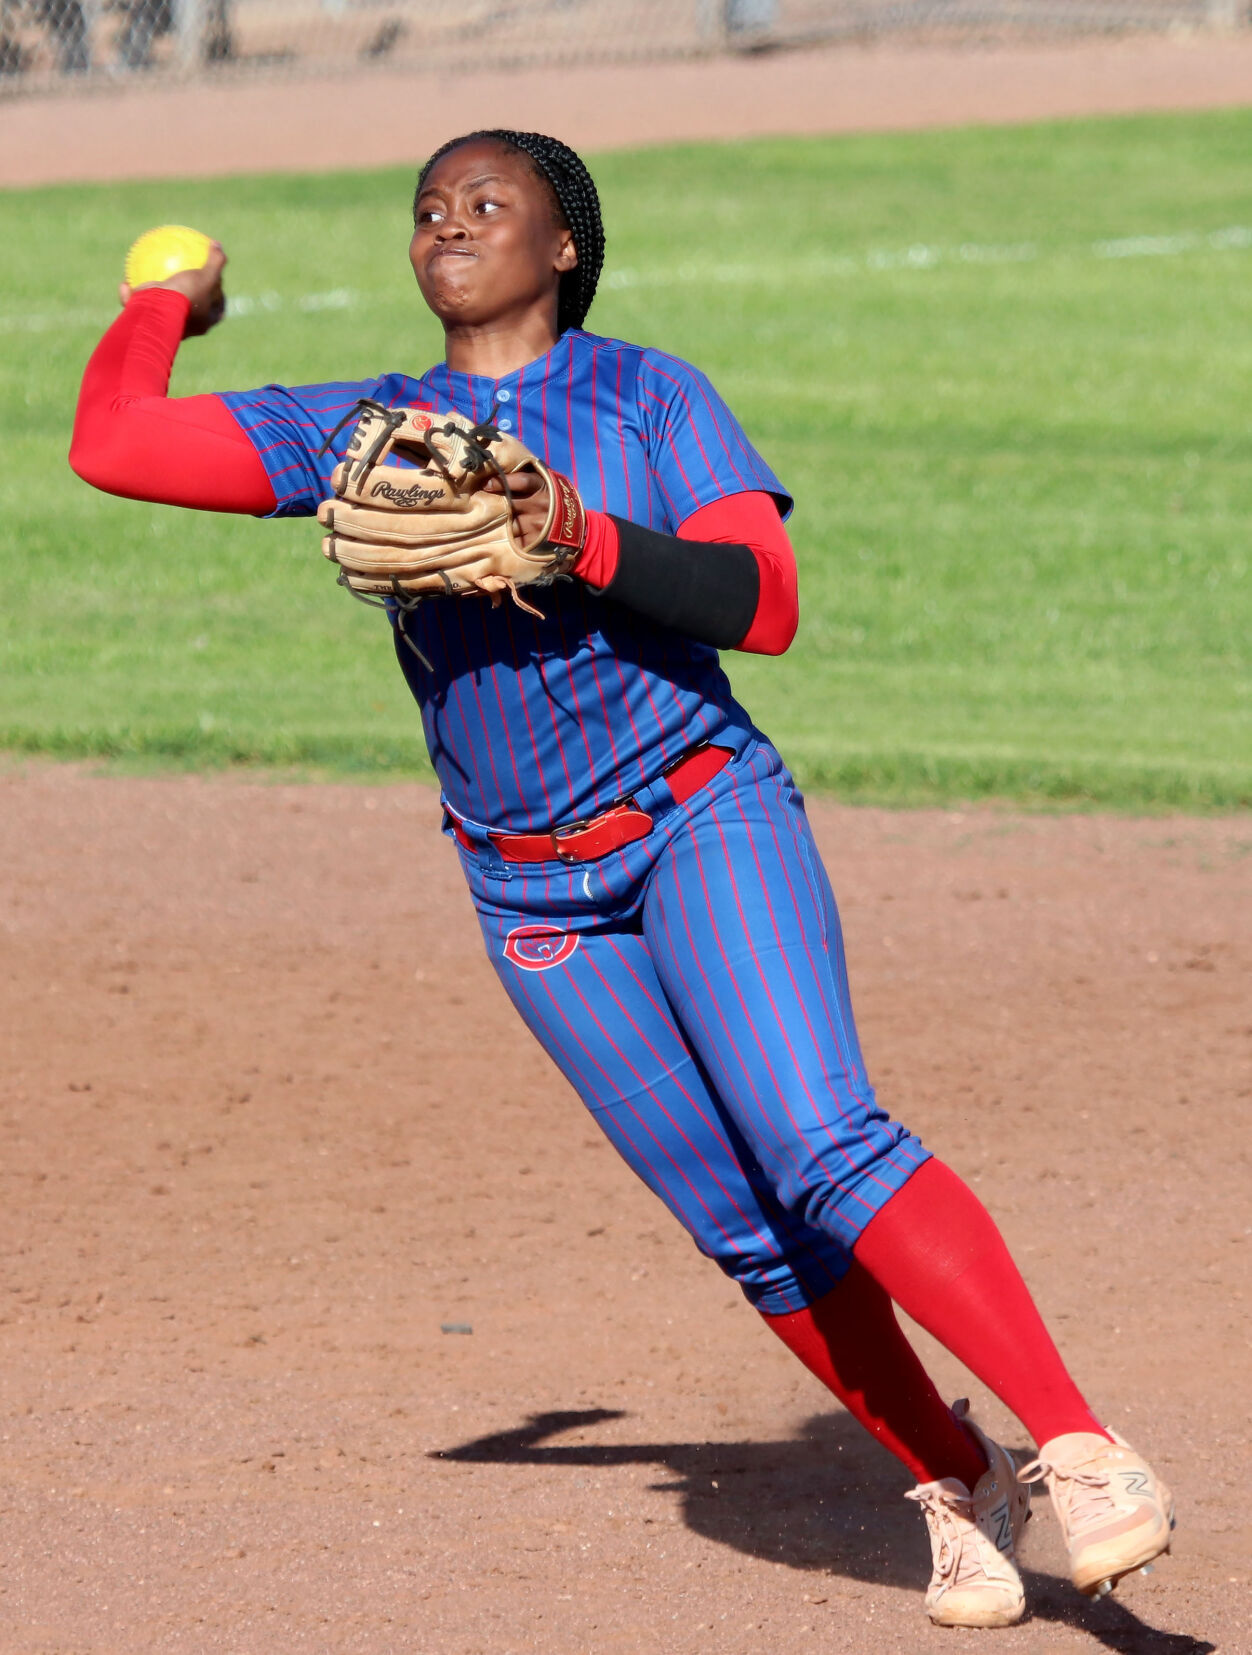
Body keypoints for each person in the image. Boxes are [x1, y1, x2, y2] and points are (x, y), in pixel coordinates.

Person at [69, 129, 1175, 1630]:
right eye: (429, 207)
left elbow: (762, 603)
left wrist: (573, 535)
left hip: (701, 820)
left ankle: (1079, 1446)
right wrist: (165, 304)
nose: (450, 221)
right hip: (530, 897)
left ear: (565, 244)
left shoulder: (650, 395)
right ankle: (955, 1474)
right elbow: (116, 447)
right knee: (739, 1221)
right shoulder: (367, 429)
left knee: (820, 1141)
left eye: (489, 202)